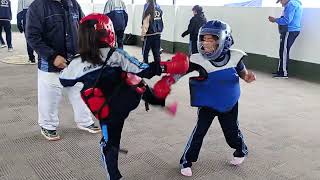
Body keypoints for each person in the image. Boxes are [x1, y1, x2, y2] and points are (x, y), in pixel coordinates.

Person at [59, 13, 189, 180]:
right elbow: (145, 69)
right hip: (125, 102)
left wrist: (72, 67)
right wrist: (168, 66)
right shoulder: (116, 54)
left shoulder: (77, 62)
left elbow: (64, 80)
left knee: (111, 143)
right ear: (108, 32)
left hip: (105, 113)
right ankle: (159, 101)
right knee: (135, 80)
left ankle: (114, 176)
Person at [153, 20, 256, 177]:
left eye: (211, 39)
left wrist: (247, 77)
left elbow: (243, 74)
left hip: (229, 104)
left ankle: (241, 150)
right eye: (203, 39)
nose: (206, 43)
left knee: (232, 133)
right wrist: (167, 83)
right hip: (208, 104)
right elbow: (179, 71)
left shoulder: (236, 57)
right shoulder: (198, 60)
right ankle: (186, 161)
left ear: (224, 40)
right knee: (199, 133)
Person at [25, 0, 100, 141]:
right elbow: (32, 36)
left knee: (80, 91)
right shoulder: (38, 6)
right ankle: (47, 125)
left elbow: (83, 26)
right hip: (51, 64)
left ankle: (84, 121)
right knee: (49, 96)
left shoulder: (73, 3)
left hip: (74, 61)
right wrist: (52, 56)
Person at [268, 0, 302, 78]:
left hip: (290, 31)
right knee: (282, 51)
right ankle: (281, 71)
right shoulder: (294, 3)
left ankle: (283, 73)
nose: (280, 3)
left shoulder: (291, 4)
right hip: (290, 31)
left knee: (284, 51)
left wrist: (275, 20)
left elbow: (286, 21)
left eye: (280, 1)